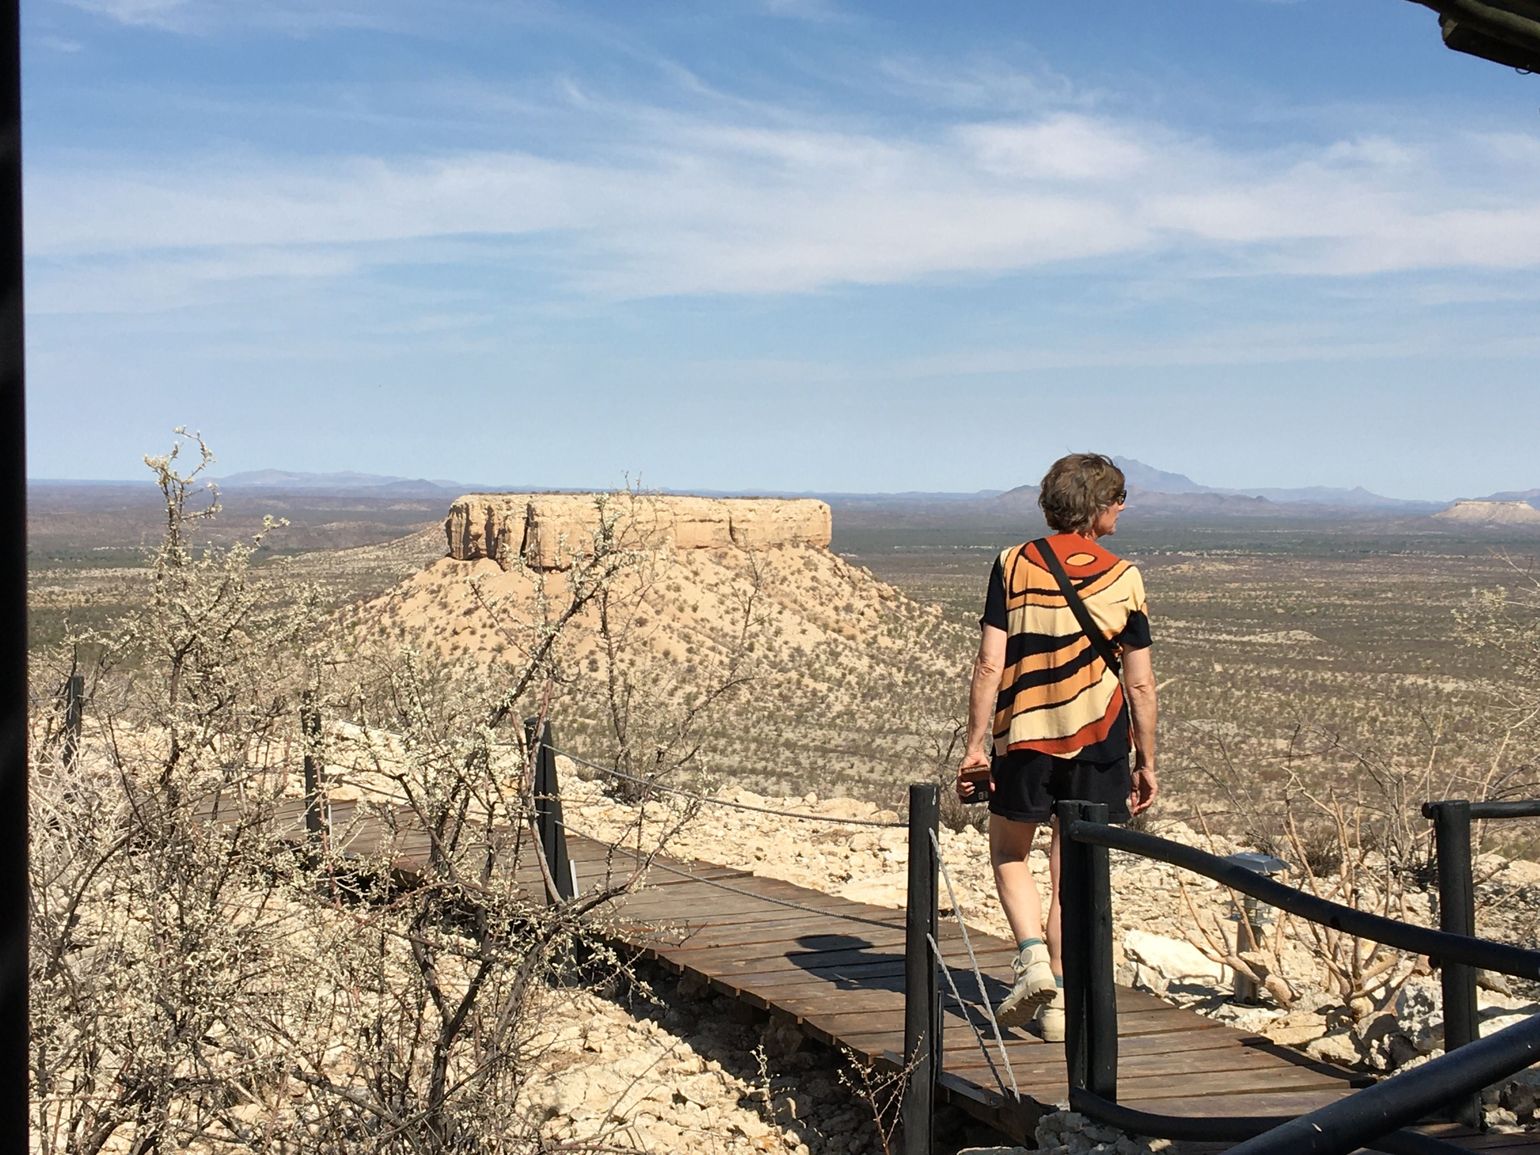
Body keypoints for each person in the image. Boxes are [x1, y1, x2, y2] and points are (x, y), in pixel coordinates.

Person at [956, 453, 1158, 1042]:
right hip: (1100, 742)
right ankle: (1059, 1008)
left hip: (1023, 737)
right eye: (1119, 498)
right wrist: (1146, 762)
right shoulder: (1125, 578)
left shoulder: (1012, 564)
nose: (1123, 508)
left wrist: (975, 745)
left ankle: (1031, 959)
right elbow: (1140, 682)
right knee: (1071, 872)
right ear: (1098, 507)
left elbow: (990, 660)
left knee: (1008, 853)